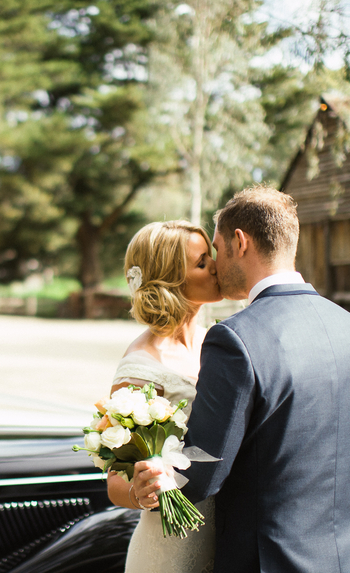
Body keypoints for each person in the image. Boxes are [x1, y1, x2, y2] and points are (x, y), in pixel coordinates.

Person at [134, 186, 350, 572]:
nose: (215, 264)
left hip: (269, 559)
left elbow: (202, 474)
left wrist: (155, 467)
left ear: (240, 241)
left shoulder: (235, 339)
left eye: (216, 249)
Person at [107, 220, 223, 573]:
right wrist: (137, 492)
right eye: (203, 262)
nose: (217, 266)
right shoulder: (142, 364)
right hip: (170, 548)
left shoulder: (219, 341)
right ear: (171, 280)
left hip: (227, 533)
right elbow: (115, 479)